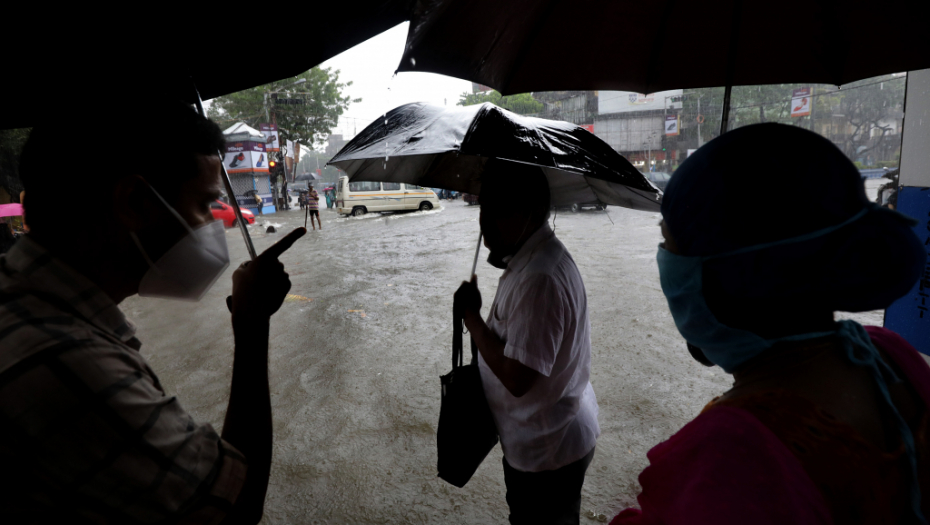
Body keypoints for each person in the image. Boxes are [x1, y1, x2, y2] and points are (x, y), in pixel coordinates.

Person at [0, 100, 306, 524]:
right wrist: (251, 324)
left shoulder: (24, 303)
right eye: (203, 205)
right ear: (135, 202)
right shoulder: (68, 365)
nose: (209, 225)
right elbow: (233, 508)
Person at [610, 124, 929, 525]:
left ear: (737, 275)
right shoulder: (887, 354)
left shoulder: (730, 456)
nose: (664, 260)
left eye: (667, 241)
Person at [454, 159, 599, 525]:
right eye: (484, 210)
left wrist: (472, 319)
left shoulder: (540, 278)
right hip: (547, 434)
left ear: (532, 211)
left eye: (499, 212)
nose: (485, 226)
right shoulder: (532, 259)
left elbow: (519, 378)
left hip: (547, 451)